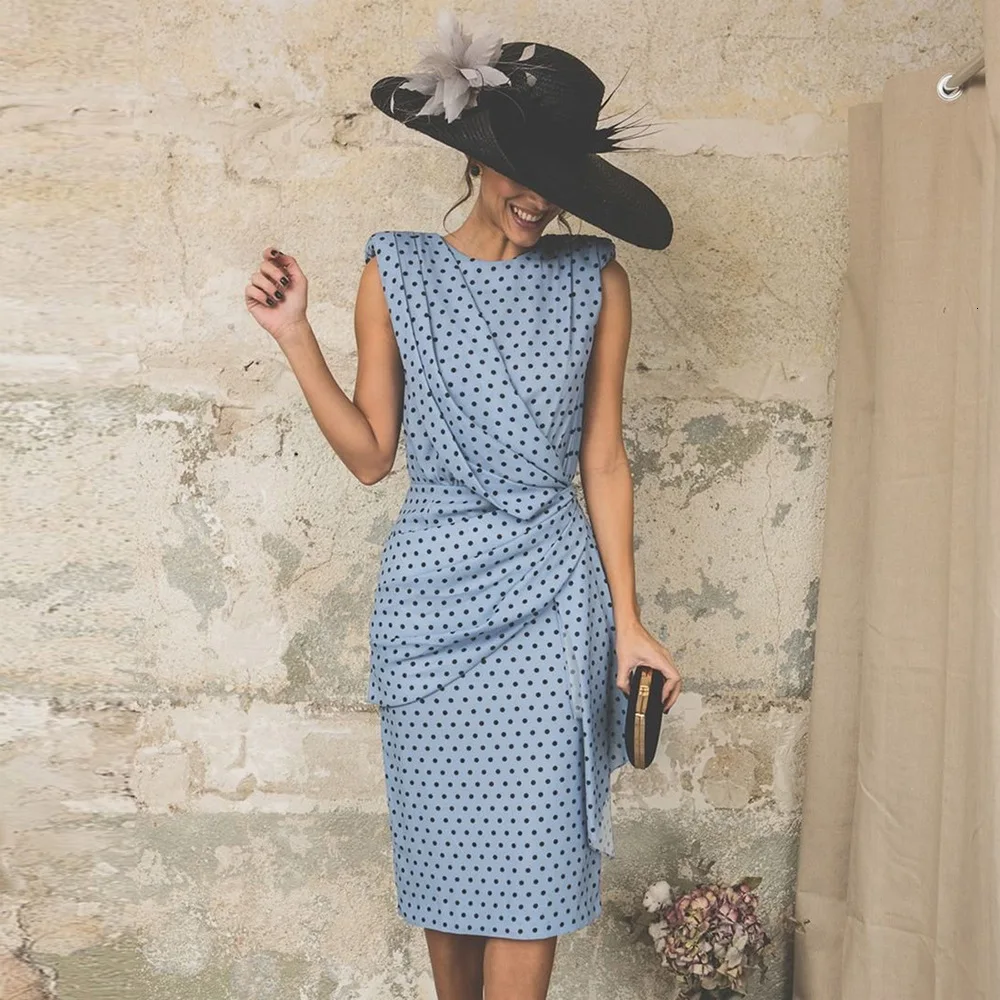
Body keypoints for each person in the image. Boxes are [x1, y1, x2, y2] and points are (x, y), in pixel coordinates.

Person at [244, 12, 682, 999]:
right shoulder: (395, 271)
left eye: (558, 184)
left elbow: (604, 461)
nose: (539, 201)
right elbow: (371, 457)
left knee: (534, 873)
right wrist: (295, 337)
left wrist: (630, 623)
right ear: (476, 157)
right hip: (431, 609)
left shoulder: (596, 282)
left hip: (552, 604)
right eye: (523, 174)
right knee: (449, 880)